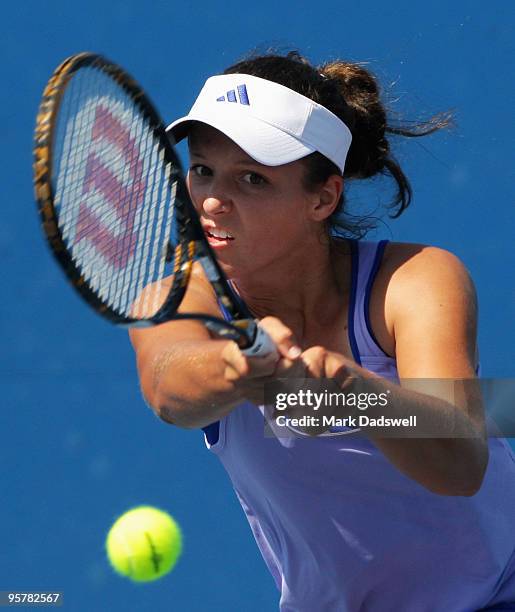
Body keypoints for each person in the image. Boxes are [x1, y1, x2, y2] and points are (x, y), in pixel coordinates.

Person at [129, 51, 515, 611]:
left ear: (323, 197)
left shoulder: (415, 279)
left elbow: (460, 463)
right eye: (203, 168)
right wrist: (241, 367)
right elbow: (169, 388)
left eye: (252, 179)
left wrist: (354, 392)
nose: (212, 200)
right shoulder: (179, 302)